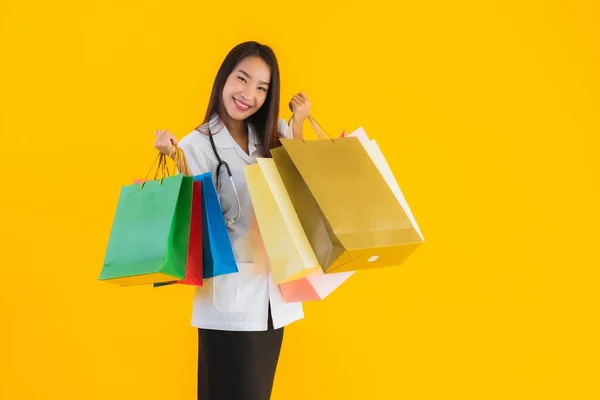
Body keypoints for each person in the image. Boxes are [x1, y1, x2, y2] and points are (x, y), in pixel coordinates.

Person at [154, 41, 312, 400]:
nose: (249, 95)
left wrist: (299, 122)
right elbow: (189, 217)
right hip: (229, 301)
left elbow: (306, 180)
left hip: (273, 301)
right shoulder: (195, 144)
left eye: (261, 88)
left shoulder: (270, 134)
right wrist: (171, 159)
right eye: (242, 79)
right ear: (224, 77)